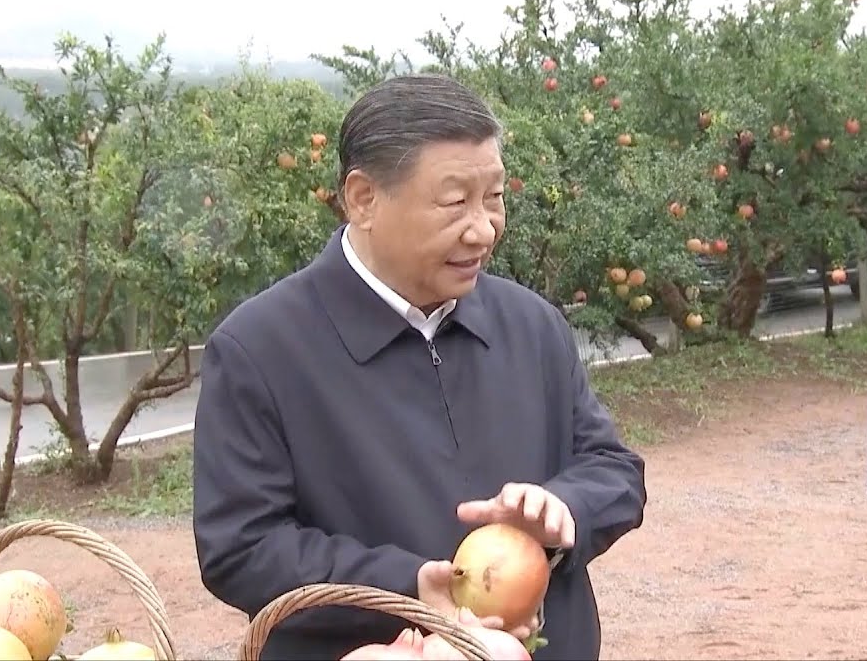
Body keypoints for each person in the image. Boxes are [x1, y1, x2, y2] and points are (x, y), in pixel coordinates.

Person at [192, 73, 648, 660]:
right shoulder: (260, 349)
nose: (484, 228)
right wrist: (406, 588)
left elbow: (613, 470)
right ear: (364, 200)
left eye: (496, 197)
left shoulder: (529, 324)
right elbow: (243, 549)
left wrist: (563, 512)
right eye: (455, 201)